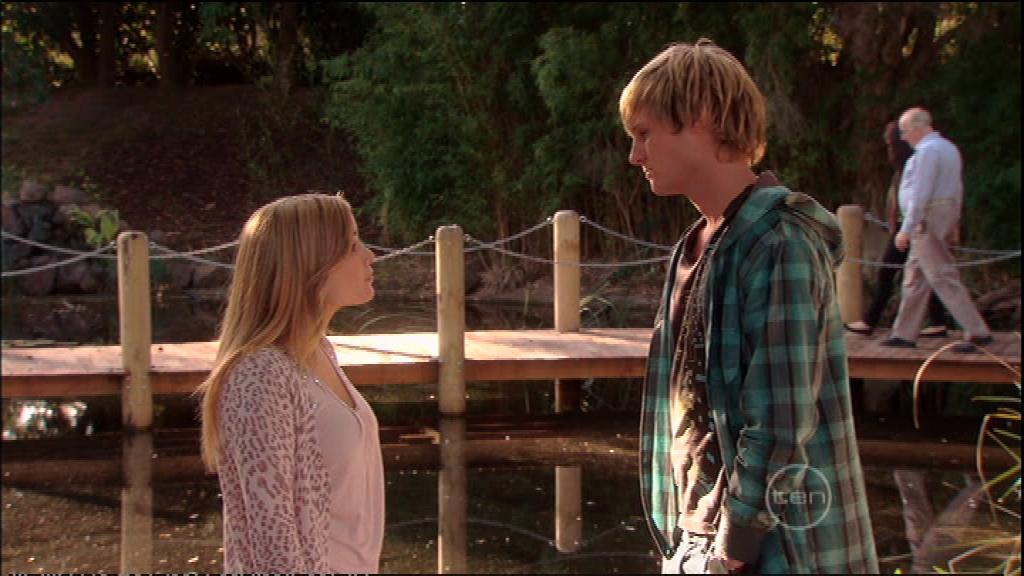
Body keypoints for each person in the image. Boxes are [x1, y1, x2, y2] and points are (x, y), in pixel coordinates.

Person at [620, 39, 878, 573]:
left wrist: (735, 547)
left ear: (700, 117)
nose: (635, 156)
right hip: (697, 535)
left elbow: (781, 420)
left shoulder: (780, 241)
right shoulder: (694, 246)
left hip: (779, 550)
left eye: (644, 134)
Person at [196, 193, 383, 572]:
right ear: (311, 264)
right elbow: (272, 538)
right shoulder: (258, 375)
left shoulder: (321, 351)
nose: (369, 255)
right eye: (351, 245)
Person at [880, 107, 993, 353]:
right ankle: (904, 333)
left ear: (917, 128)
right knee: (914, 278)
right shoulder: (948, 148)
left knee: (941, 275)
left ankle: (977, 330)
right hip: (940, 213)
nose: (904, 137)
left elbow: (921, 193)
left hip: (927, 217)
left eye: (905, 131)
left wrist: (906, 228)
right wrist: (954, 222)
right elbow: (957, 190)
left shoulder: (928, 152)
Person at [844, 120, 948, 337]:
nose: (888, 149)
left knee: (889, 272)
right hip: (906, 226)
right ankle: (938, 321)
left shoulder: (915, 164)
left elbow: (919, 199)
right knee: (922, 273)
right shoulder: (902, 168)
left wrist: (905, 229)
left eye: (890, 144)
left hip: (912, 226)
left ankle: (871, 321)